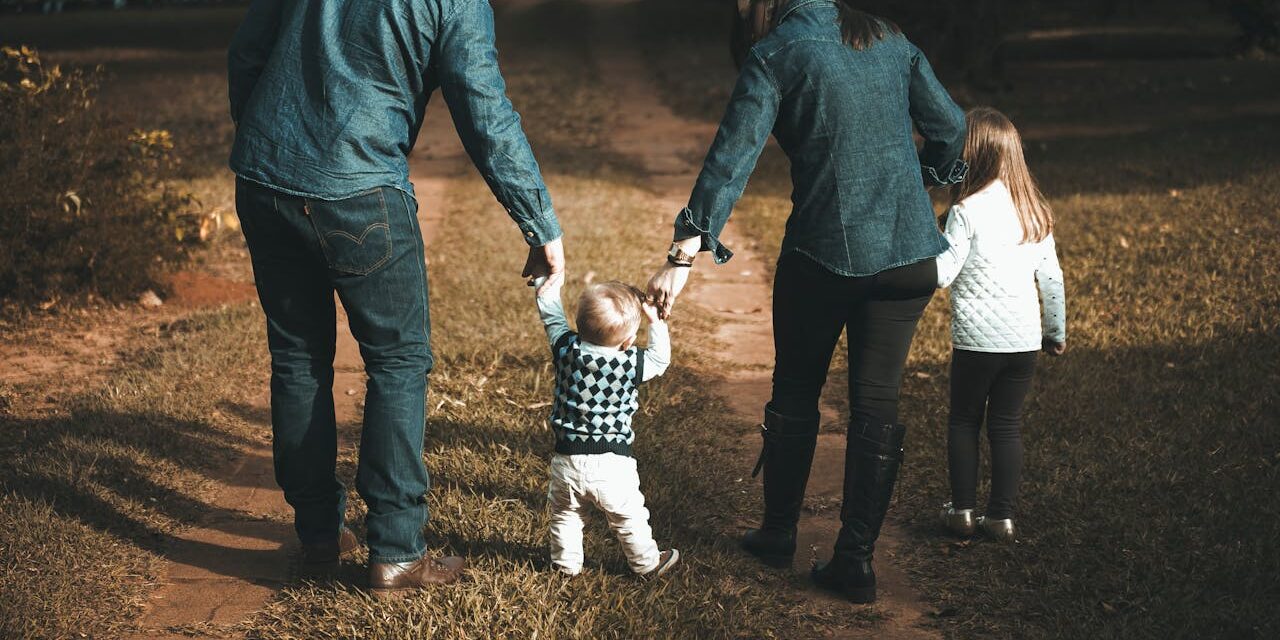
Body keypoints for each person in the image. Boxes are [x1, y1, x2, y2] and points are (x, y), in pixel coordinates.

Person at [227, 0, 565, 597]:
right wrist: (538, 223)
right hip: (359, 189)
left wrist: (267, 146)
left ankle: (318, 537)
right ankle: (397, 551)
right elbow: (483, 111)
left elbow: (248, 54)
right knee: (399, 362)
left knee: (298, 357)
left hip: (264, 178)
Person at [647, 0, 967, 603]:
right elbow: (951, 128)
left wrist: (681, 256)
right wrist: (920, 181)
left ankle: (777, 535)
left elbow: (730, 160)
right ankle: (856, 562)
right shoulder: (888, 37)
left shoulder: (776, 52)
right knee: (877, 402)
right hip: (908, 258)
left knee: (796, 389)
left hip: (824, 256)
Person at [935, 107, 1067, 543]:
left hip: (976, 343)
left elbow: (943, 274)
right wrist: (1055, 333)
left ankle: (963, 513)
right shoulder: (1034, 212)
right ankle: (1002, 518)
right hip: (1023, 342)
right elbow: (1051, 279)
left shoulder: (966, 212)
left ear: (970, 155)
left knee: (964, 421)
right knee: (1006, 425)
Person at [533, 278, 680, 578]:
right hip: (613, 464)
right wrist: (655, 322)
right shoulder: (631, 363)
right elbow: (660, 360)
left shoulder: (566, 349)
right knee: (629, 517)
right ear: (627, 342)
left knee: (566, 515)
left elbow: (551, 316)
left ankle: (565, 566)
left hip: (567, 460)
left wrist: (545, 281)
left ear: (580, 324)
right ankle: (647, 563)